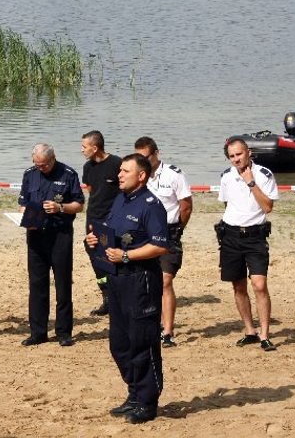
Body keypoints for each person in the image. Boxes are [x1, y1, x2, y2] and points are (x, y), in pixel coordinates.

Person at [85, 153, 169, 424]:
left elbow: (160, 245)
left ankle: (147, 401)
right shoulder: (120, 198)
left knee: (142, 342)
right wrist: (95, 239)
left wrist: (126, 256)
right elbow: (111, 232)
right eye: (120, 170)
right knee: (119, 344)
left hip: (141, 279)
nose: (119, 175)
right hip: (117, 279)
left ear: (141, 176)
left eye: (125, 171)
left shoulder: (151, 205)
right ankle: (133, 394)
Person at [18, 143, 84, 347]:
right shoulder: (30, 174)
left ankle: (64, 332)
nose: (41, 168)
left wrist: (60, 207)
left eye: (44, 165)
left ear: (53, 159)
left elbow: (79, 205)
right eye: (37, 164)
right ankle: (38, 332)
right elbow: (22, 202)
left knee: (63, 284)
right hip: (36, 235)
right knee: (37, 285)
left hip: (60, 235)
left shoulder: (68, 174)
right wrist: (23, 214)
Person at [216, 137, 279, 352]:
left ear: (248, 152)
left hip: (255, 237)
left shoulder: (264, 175)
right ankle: (250, 331)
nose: (236, 159)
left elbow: (268, 207)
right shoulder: (226, 176)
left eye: (239, 154)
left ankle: (265, 335)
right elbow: (227, 203)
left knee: (259, 285)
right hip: (231, 236)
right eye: (232, 156)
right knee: (238, 286)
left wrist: (251, 182)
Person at [134, 137, 193, 347]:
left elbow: (186, 205)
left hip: (168, 232)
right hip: (143, 233)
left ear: (157, 153)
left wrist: (178, 230)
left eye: (146, 157)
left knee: (166, 280)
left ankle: (167, 332)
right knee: (145, 280)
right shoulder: (137, 176)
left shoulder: (174, 175)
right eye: (139, 157)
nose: (143, 161)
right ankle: (152, 322)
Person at [81, 130, 122, 316]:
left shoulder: (116, 163)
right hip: (93, 218)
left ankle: (117, 297)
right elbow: (91, 191)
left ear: (95, 147)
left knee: (112, 257)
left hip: (112, 219)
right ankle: (106, 297)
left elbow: (124, 191)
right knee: (95, 256)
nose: (82, 150)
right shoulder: (87, 167)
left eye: (84, 147)